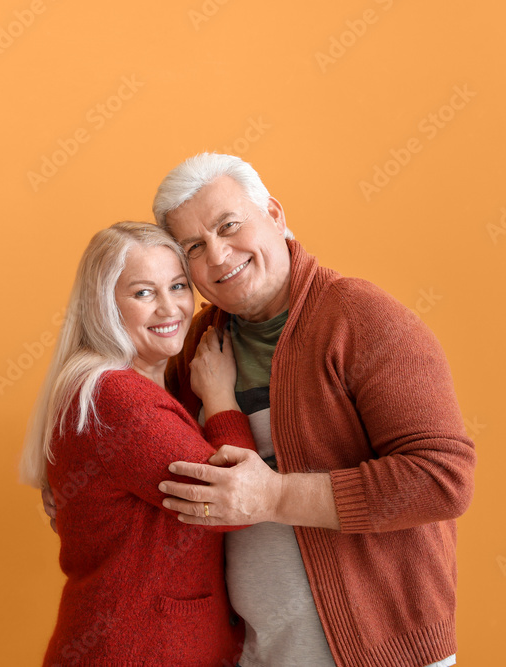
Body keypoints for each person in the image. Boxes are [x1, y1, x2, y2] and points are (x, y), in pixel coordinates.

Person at [148, 153, 477, 667]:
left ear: (274, 214)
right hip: (254, 653)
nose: (217, 255)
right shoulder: (196, 345)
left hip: (382, 658)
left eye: (228, 226)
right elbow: (163, 462)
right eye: (194, 246)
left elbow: (442, 479)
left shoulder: (360, 317)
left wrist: (276, 496)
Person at [19, 221, 256, 666]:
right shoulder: (116, 395)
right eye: (144, 293)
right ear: (103, 306)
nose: (170, 308)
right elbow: (233, 501)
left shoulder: (128, 383)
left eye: (178, 286)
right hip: (136, 650)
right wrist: (221, 397)